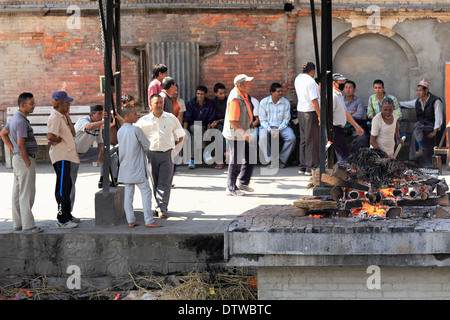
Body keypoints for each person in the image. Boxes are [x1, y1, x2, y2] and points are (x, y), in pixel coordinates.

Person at [135, 94, 186, 218]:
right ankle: (158, 206)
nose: (159, 105)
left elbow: (181, 135)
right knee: (154, 183)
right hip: (151, 155)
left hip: (167, 154)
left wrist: (176, 151)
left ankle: (162, 209)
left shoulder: (171, 118)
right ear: (150, 105)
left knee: (165, 183)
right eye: (156, 103)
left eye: (161, 102)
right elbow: (134, 136)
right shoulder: (143, 121)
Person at [0, 92, 42, 233]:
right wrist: (26, 161)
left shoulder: (15, 118)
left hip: (18, 159)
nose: (34, 106)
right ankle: (28, 226)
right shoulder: (21, 121)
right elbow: (21, 144)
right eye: (32, 103)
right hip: (24, 159)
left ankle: (18, 224)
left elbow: (3, 133)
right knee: (26, 193)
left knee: (18, 193)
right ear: (23, 105)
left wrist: (14, 150)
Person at [117, 104, 162, 228]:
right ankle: (149, 220)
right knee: (146, 192)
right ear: (126, 115)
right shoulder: (136, 130)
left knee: (128, 194)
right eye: (134, 113)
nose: (136, 115)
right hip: (137, 167)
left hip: (125, 167)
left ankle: (130, 220)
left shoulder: (120, 131)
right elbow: (147, 145)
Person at [46, 91, 80, 229]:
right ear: (61, 104)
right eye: (67, 103)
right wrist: (58, 139)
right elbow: (50, 136)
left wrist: (68, 117)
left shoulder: (62, 117)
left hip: (67, 156)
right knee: (62, 189)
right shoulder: (55, 117)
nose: (69, 105)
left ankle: (67, 214)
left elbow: (73, 133)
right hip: (61, 156)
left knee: (68, 185)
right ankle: (62, 218)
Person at [222, 74, 256, 196]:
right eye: (248, 83)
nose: (250, 85)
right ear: (240, 85)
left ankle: (242, 182)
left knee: (250, 156)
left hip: (243, 132)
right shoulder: (235, 98)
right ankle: (230, 188)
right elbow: (233, 120)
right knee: (235, 161)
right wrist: (244, 134)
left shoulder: (243, 94)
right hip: (236, 134)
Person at [258, 82, 296, 168]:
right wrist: (270, 130)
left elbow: (286, 119)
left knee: (291, 138)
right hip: (267, 127)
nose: (281, 93)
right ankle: (269, 160)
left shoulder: (285, 102)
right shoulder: (264, 102)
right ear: (272, 92)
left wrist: (279, 129)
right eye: (278, 91)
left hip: (282, 127)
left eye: (281, 91)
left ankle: (281, 160)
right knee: (262, 137)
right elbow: (262, 120)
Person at [407, 79, 444, 164]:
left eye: (420, 90)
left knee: (416, 129)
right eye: (417, 91)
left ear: (426, 90)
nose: (418, 93)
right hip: (420, 127)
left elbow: (439, 117)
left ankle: (414, 159)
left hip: (430, 127)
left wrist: (434, 132)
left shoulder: (435, 101)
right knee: (416, 130)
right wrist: (395, 103)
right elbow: (406, 104)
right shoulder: (418, 101)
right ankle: (417, 154)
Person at [294, 62, 320, 176]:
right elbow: (314, 100)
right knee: (312, 140)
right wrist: (319, 115)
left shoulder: (298, 78)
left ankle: (303, 166)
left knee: (304, 139)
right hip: (310, 112)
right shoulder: (311, 81)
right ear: (312, 71)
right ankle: (311, 167)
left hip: (301, 111)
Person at [332, 73, 364, 163]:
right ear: (334, 83)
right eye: (341, 83)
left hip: (339, 129)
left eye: (343, 82)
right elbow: (328, 115)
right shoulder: (333, 97)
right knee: (341, 155)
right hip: (334, 129)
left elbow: (346, 113)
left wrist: (356, 126)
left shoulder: (338, 95)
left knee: (342, 155)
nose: (343, 85)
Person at [183, 85, 216, 169]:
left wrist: (208, 130)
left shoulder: (209, 104)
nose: (199, 96)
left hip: (204, 126)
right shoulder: (191, 103)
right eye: (198, 94)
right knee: (197, 129)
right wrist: (185, 131)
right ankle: (206, 152)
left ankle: (192, 159)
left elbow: (210, 118)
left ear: (205, 95)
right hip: (193, 125)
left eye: (201, 94)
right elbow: (186, 118)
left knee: (196, 136)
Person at [211, 83, 227, 169]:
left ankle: (221, 158)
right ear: (215, 94)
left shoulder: (228, 102)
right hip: (214, 125)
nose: (223, 95)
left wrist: (218, 121)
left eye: (224, 93)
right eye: (220, 93)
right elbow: (209, 116)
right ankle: (223, 153)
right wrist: (212, 123)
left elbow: (229, 118)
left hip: (225, 124)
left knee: (219, 131)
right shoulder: (212, 102)